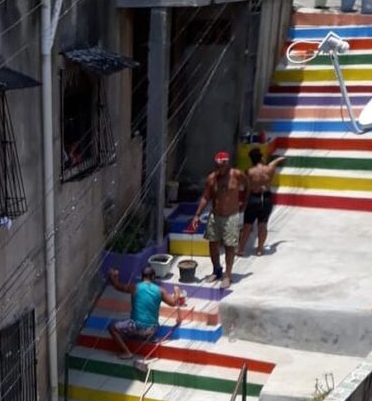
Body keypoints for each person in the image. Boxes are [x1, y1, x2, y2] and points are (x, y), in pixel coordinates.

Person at [107, 265, 186, 372]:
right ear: (153, 277)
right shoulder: (160, 290)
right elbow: (173, 302)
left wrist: (113, 276)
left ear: (142, 277)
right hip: (152, 330)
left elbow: (117, 286)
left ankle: (127, 352)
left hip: (135, 327)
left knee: (112, 327)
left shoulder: (135, 287)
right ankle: (144, 338)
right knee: (143, 324)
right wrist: (176, 291)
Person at [187, 152, 247, 289]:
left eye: (223, 164)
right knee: (212, 244)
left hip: (231, 216)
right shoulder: (212, 179)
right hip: (215, 215)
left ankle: (228, 275)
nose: (220, 167)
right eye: (218, 165)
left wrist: (244, 203)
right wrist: (197, 215)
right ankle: (216, 270)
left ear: (227, 163)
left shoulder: (237, 175)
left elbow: (247, 185)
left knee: (229, 246)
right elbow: (205, 197)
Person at [238, 147, 286, 257]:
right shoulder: (269, 169)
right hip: (266, 198)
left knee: (247, 225)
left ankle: (241, 249)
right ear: (261, 158)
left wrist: (244, 204)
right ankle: (260, 249)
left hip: (253, 198)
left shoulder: (249, 171)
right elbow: (275, 162)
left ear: (251, 160)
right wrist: (281, 158)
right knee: (262, 225)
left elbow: (247, 190)